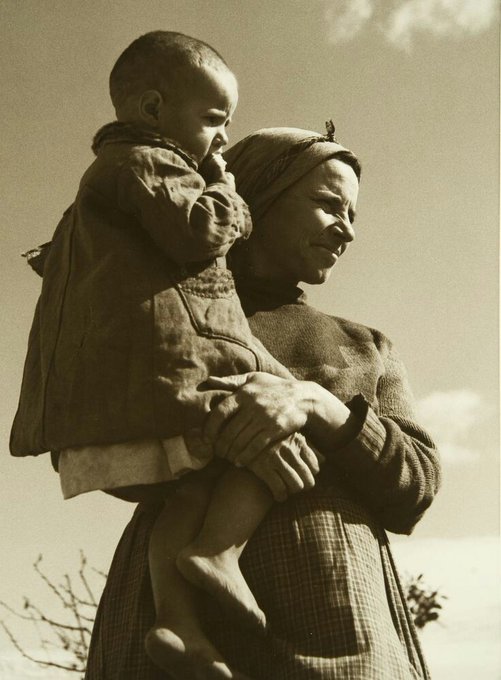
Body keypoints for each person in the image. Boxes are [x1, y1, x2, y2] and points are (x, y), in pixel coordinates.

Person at [9, 32, 324, 680]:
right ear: (153, 110)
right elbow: (199, 232)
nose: (219, 139)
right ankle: (216, 552)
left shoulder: (102, 190)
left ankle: (178, 628)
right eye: (213, 120)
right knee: (263, 435)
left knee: (183, 496)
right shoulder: (148, 165)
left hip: (103, 417)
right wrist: (229, 198)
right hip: (149, 398)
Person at [83, 126, 441, 680]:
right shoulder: (163, 314)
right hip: (168, 628)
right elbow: (92, 450)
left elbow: (415, 487)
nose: (346, 229)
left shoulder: (365, 346)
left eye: (352, 214)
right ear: (257, 195)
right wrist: (220, 436)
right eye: (328, 204)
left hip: (337, 617)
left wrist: (316, 404)